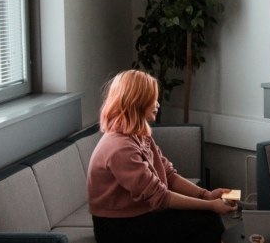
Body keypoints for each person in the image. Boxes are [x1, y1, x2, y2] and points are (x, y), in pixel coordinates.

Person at [87, 70, 237, 243]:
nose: (158, 104)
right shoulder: (119, 148)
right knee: (208, 217)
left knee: (203, 232)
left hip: (137, 216)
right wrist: (210, 206)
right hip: (115, 228)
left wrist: (205, 195)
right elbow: (161, 197)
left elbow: (168, 174)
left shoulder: (138, 135)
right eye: (153, 99)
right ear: (138, 101)